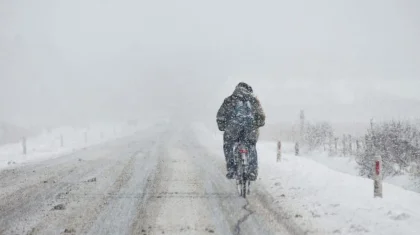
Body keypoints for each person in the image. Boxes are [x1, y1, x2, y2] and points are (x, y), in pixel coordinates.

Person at [216, 82, 266, 180]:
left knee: (228, 145)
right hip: (250, 129)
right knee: (251, 146)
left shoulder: (229, 100)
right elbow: (261, 115)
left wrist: (222, 126)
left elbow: (221, 115)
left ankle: (231, 170)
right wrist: (258, 124)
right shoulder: (253, 100)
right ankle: (252, 172)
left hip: (233, 129)